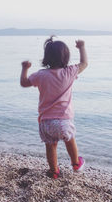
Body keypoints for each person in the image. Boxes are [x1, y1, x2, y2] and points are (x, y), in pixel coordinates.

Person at [20, 36, 88, 179]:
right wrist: (81, 47)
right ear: (66, 57)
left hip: (45, 121)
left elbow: (24, 83)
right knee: (70, 140)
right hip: (64, 120)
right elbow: (84, 63)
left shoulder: (41, 75)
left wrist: (25, 68)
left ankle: (54, 171)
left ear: (46, 58)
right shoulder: (69, 72)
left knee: (51, 146)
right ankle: (76, 163)